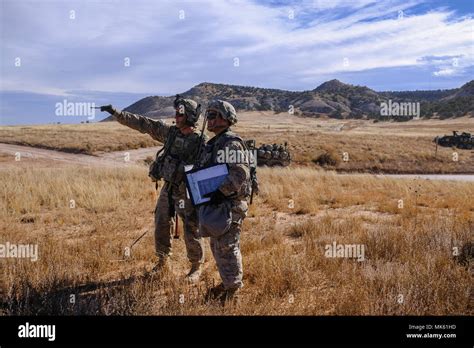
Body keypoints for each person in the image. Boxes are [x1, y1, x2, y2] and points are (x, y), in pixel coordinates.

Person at [99, 96, 206, 282]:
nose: (176, 117)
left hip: (187, 190)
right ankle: (163, 261)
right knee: (162, 222)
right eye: (176, 113)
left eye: (180, 114)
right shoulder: (171, 133)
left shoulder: (200, 142)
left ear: (189, 116)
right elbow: (143, 123)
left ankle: (196, 266)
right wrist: (116, 113)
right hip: (168, 187)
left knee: (191, 227)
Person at [195, 100, 251, 304]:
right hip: (220, 204)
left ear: (224, 119)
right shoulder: (215, 143)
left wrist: (220, 191)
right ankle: (228, 282)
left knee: (227, 246)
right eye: (207, 115)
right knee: (218, 246)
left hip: (231, 204)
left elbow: (240, 173)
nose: (208, 120)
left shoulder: (230, 142)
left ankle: (233, 291)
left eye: (212, 115)